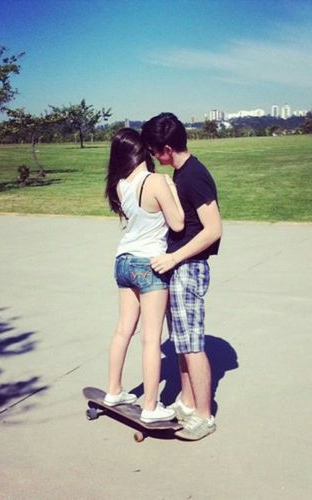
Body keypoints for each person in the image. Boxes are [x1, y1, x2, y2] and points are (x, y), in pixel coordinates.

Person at [141, 112, 222, 440]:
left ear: (166, 149)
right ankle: (187, 403)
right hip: (179, 267)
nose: (152, 157)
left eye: (153, 151)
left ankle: (204, 416)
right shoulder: (181, 173)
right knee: (181, 342)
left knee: (192, 344)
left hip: (189, 267)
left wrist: (174, 257)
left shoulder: (195, 176)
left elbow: (213, 229)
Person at [104, 128, 185, 423]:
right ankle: (151, 406)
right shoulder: (155, 181)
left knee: (123, 330)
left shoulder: (119, 185)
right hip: (149, 264)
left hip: (123, 261)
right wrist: (171, 187)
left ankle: (113, 390)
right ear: (143, 151)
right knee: (151, 338)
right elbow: (177, 223)